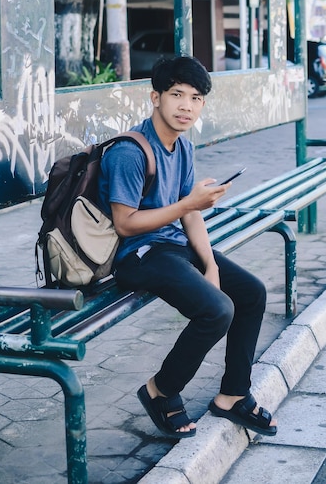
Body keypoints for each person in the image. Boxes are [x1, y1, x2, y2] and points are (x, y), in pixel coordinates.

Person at [98, 55, 277, 439]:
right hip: (138, 255)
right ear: (155, 97)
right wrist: (187, 205)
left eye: (196, 98)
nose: (186, 106)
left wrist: (210, 264)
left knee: (251, 293)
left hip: (173, 246)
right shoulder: (130, 151)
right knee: (216, 310)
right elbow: (126, 224)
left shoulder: (182, 147)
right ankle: (160, 390)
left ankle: (233, 394)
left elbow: (191, 215)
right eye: (177, 94)